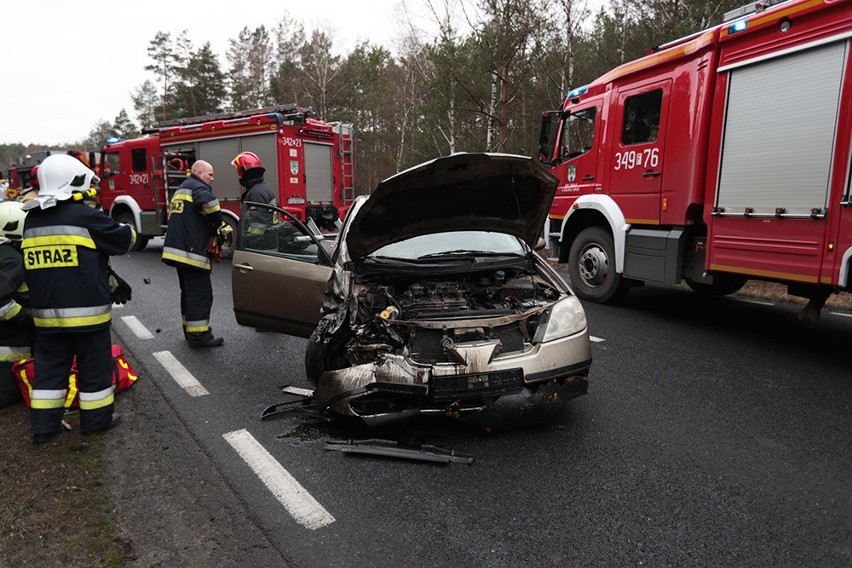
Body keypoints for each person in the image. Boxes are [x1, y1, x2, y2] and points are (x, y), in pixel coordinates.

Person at [21, 154, 135, 444]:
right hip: (88, 315)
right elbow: (123, 241)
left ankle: (43, 429)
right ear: (71, 181)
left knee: (49, 372)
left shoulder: (32, 219)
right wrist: (127, 227)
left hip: (46, 317)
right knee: (94, 369)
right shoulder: (84, 215)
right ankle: (96, 421)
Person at [161, 160, 225, 349]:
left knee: (188, 293)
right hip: (191, 252)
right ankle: (199, 336)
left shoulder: (182, 188)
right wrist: (216, 227)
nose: (212, 179)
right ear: (198, 172)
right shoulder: (198, 187)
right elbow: (212, 208)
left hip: (179, 251)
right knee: (200, 294)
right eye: (209, 174)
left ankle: (190, 332)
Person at [0, 201, 33, 408]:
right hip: (8, 348)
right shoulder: (13, 260)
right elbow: (2, 305)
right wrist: (32, 319)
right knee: (8, 399)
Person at [231, 151, 277, 248]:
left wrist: (246, 243)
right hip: (267, 242)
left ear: (242, 171)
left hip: (260, 247)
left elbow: (258, 226)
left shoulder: (256, 193)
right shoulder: (261, 188)